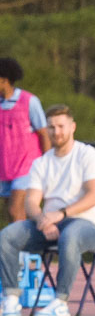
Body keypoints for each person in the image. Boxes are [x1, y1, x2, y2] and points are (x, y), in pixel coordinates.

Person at [0, 104, 95, 316]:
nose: (56, 132)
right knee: (7, 236)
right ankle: (11, 299)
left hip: (86, 224)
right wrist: (42, 220)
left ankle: (60, 302)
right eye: (51, 127)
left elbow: (93, 197)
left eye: (61, 126)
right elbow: (31, 201)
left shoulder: (88, 155)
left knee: (70, 235)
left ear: (72, 127)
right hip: (48, 225)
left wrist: (61, 215)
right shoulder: (41, 162)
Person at [0, 58, 51, 222]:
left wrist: (48, 164)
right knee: (18, 213)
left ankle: (22, 248)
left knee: (15, 209)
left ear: (4, 80)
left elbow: (43, 134)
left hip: (27, 167)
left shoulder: (29, 101)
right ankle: (33, 245)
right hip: (6, 168)